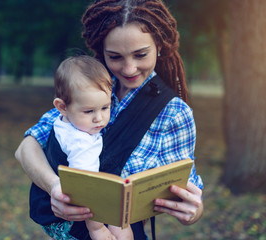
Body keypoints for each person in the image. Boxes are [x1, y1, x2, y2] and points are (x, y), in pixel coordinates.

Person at [15, 0, 204, 239]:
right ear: (101, 50)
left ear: (159, 46)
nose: (128, 68)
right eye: (115, 56)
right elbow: (26, 148)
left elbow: (188, 190)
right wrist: (54, 187)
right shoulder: (90, 85)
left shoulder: (174, 113)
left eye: (141, 54)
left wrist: (193, 211)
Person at [29, 55, 133, 239]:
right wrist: (98, 229)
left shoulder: (63, 121)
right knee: (124, 232)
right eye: (89, 111)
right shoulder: (81, 144)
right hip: (68, 221)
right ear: (62, 106)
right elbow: (87, 191)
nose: (99, 118)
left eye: (105, 107)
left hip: (45, 209)